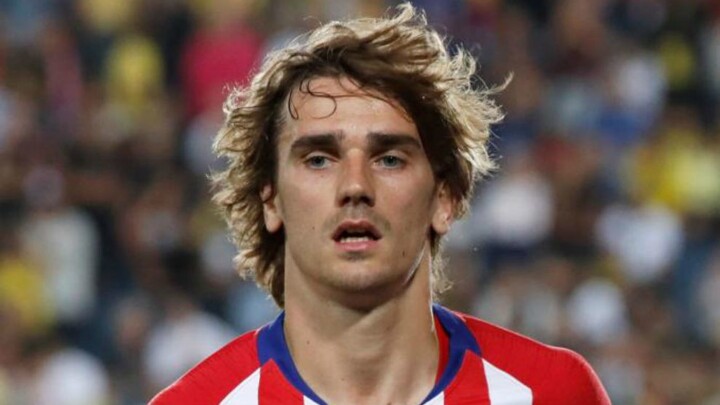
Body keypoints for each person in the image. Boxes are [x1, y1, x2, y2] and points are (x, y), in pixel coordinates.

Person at [151, 4, 610, 404]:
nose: (355, 185)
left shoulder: (553, 392)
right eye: (318, 159)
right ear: (270, 199)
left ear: (445, 197)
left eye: (389, 158)